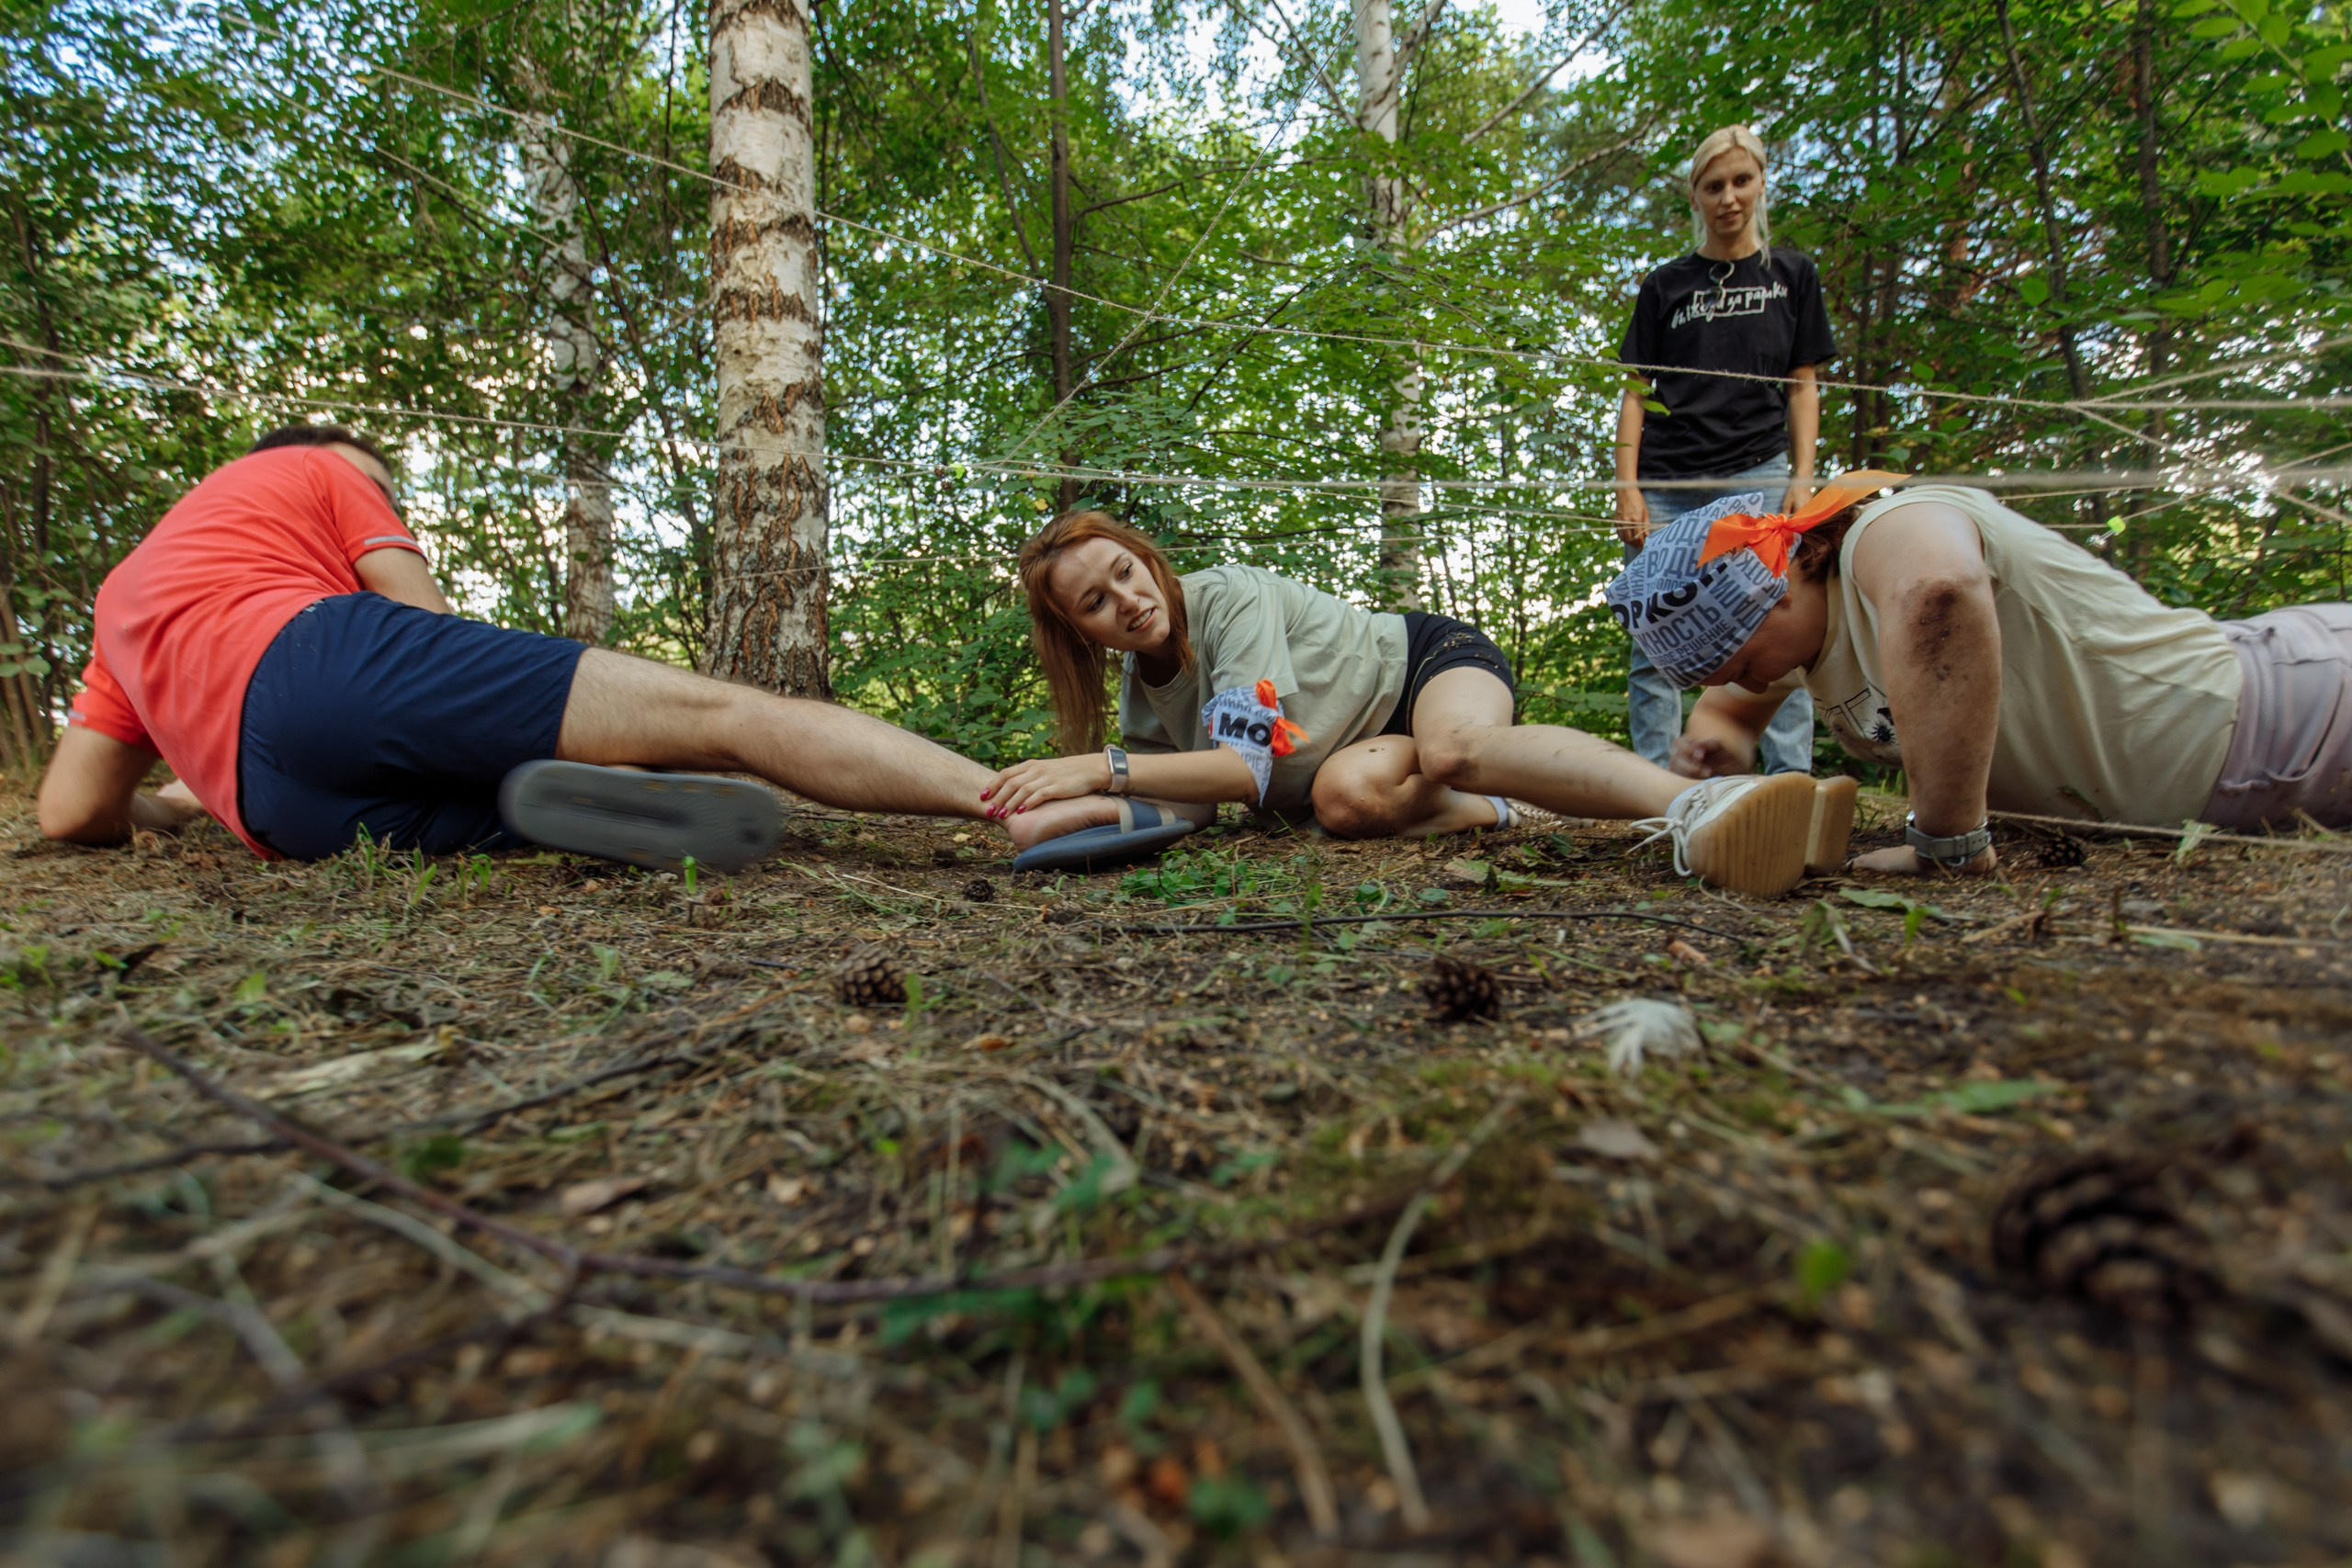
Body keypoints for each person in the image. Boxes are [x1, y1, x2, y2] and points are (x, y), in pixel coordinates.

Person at [39, 424, 1031, 868]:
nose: (386, 499)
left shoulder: (123, 595)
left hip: (279, 814)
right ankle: (1007, 799)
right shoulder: (312, 468)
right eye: (382, 486)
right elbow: (423, 619)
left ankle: (580, 800)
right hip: (319, 662)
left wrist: (181, 805)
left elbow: (72, 810)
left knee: (523, 800)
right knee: (722, 713)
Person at [978, 509, 1860, 897]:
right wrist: (1058, 811)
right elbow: (1190, 805)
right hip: (1359, 758)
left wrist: (1101, 766)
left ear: (1145, 556)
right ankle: (1511, 804)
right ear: (1081, 633)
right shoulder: (1144, 692)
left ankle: (1706, 806)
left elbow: (1242, 771)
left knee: (1454, 748)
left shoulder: (1224, 598)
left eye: (1125, 570)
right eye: (1096, 602)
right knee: (1343, 800)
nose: (1128, 600)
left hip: (1424, 665)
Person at [1603, 473, 2352, 877]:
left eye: (1737, 660)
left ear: (1783, 579)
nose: (1738, 680)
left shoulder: (1888, 528)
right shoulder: (1799, 640)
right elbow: (1728, 714)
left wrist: (1948, 839)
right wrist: (1718, 749)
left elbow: (1939, 592)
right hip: (2246, 787)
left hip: (2297, 707)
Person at [1614, 123, 1833, 777]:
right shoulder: (1665, 285)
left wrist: (1802, 477)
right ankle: (1655, 788)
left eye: (1741, 181)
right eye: (1714, 186)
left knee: (1781, 624)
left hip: (1758, 474)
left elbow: (1803, 385)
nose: (1729, 197)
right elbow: (1635, 391)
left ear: (1762, 183)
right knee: (1653, 635)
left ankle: (1789, 780)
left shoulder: (1792, 275)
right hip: (1667, 482)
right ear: (1696, 196)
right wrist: (1627, 485)